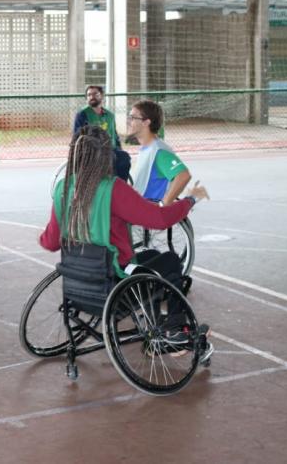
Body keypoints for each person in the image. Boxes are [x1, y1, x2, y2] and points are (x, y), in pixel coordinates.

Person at [39, 125, 211, 356]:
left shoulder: (64, 188)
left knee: (149, 258)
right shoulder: (114, 189)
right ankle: (174, 331)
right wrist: (190, 200)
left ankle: (155, 327)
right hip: (114, 284)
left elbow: (50, 242)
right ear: (106, 155)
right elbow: (159, 219)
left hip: (78, 285)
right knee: (169, 261)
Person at [127, 99, 190, 206]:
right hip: (137, 208)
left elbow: (183, 176)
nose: (128, 121)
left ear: (146, 122)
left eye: (132, 118)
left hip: (145, 215)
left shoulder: (159, 151)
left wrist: (163, 204)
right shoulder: (146, 148)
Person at [72, 85, 130, 181]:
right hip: (92, 151)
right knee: (110, 159)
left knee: (124, 157)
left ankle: (121, 187)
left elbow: (115, 136)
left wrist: (119, 149)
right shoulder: (82, 114)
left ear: (102, 96)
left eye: (95, 94)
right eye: (89, 95)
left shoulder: (110, 116)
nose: (92, 97)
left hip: (110, 150)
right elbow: (77, 136)